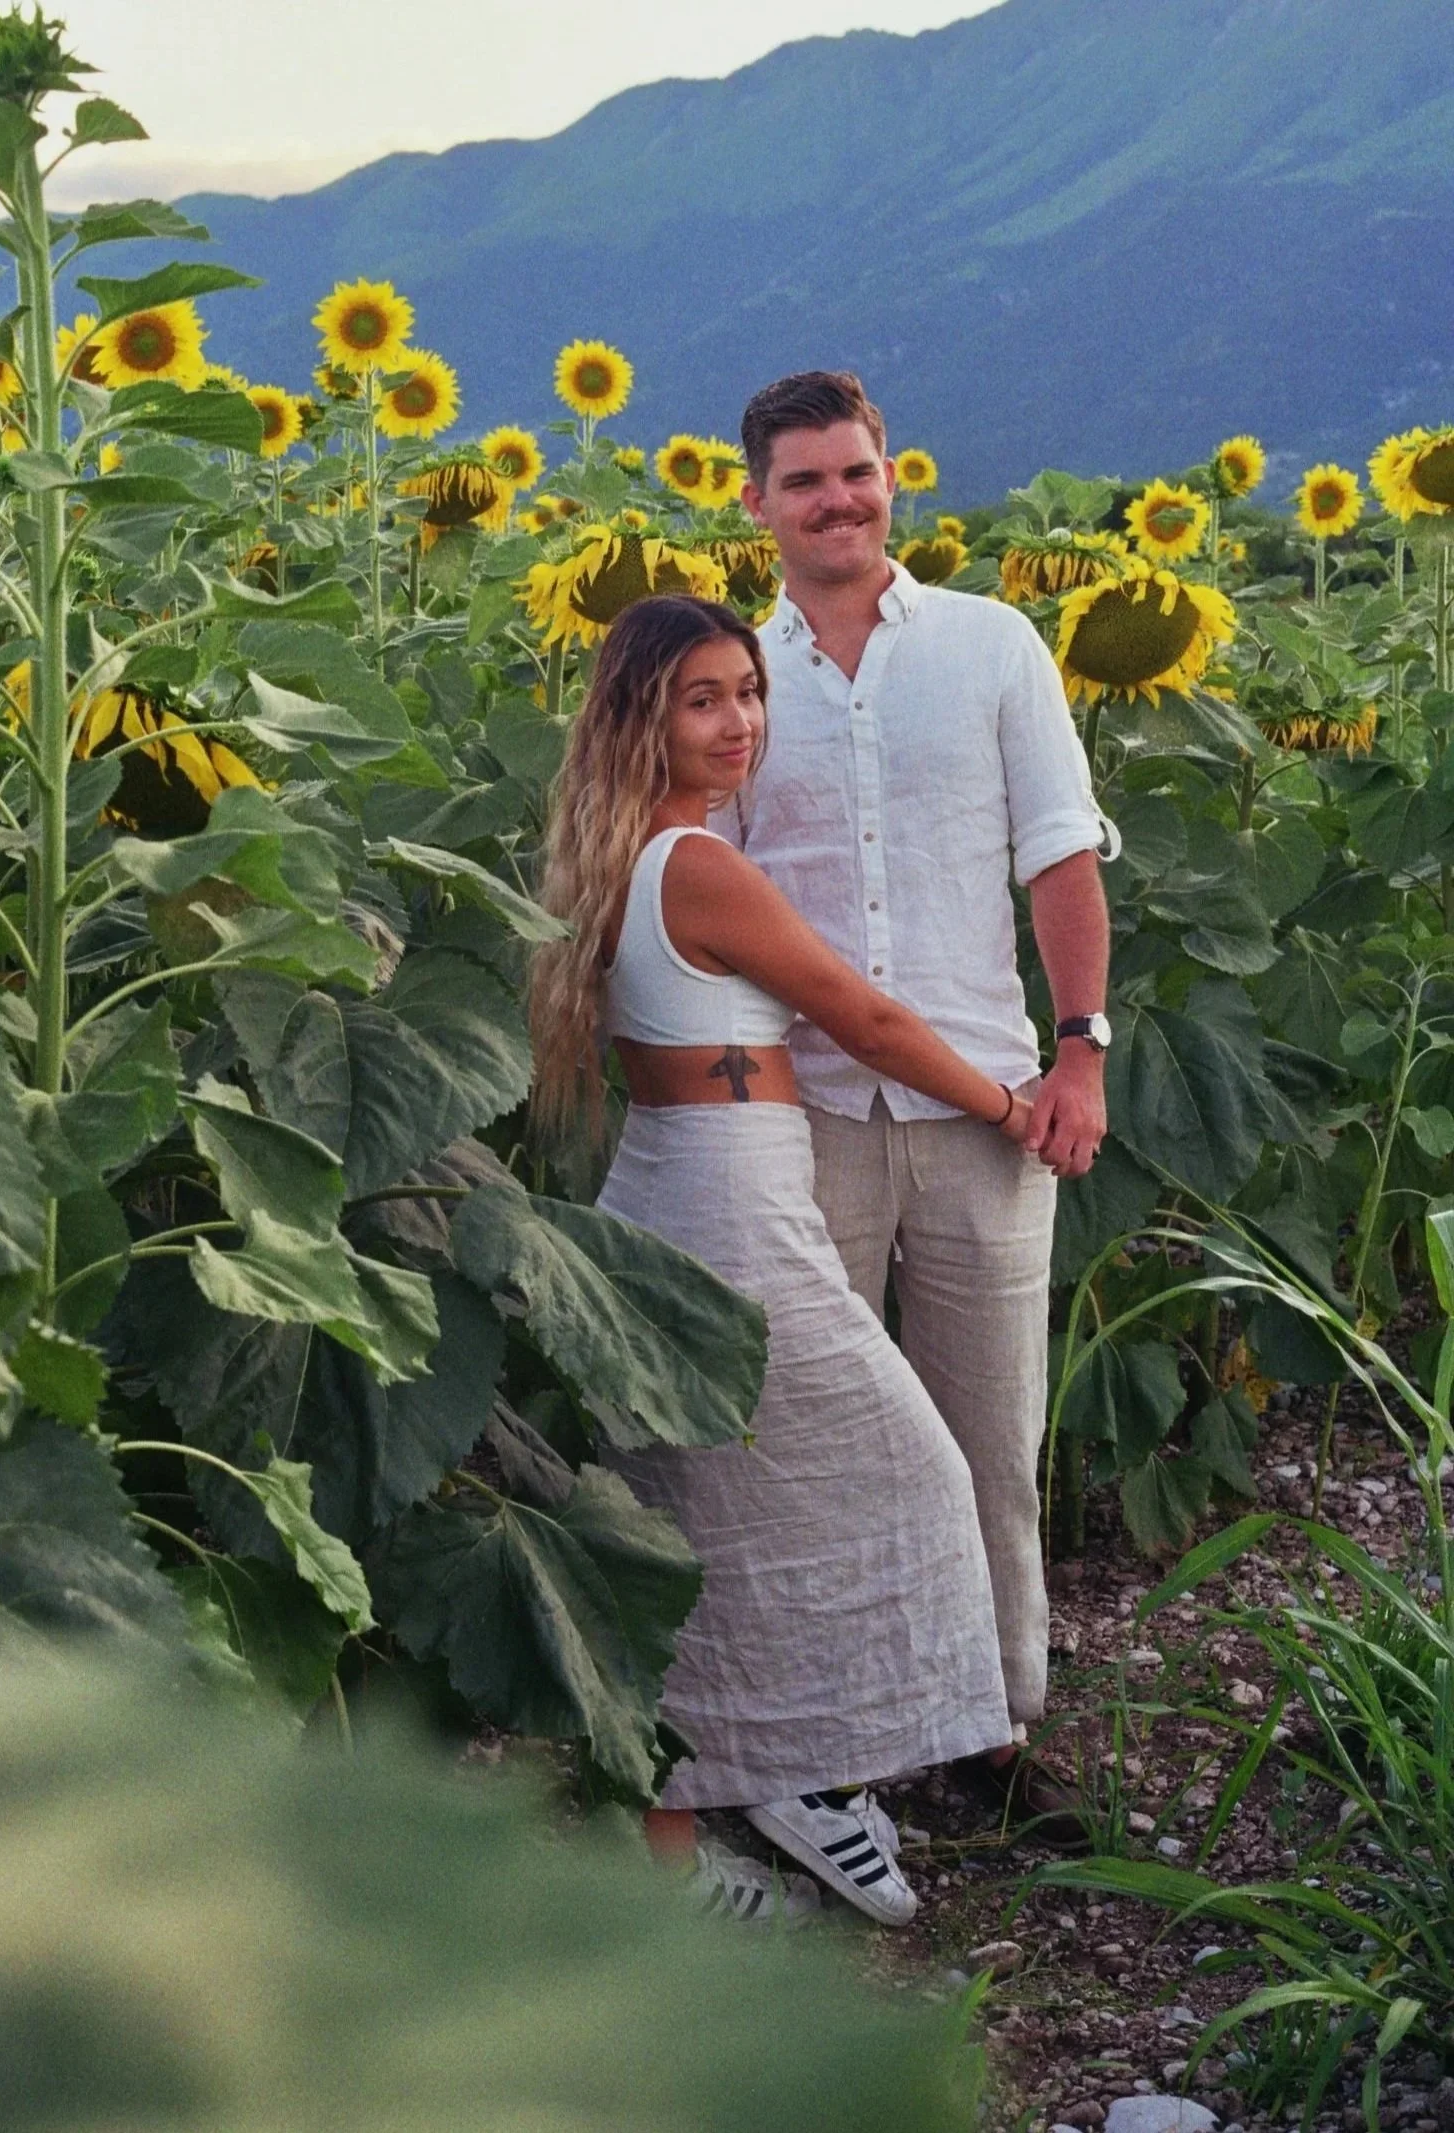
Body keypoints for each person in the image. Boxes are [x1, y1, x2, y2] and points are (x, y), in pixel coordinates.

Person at [529, 594, 1034, 1928]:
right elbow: (858, 1010)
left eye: (748, 691)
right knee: (908, 1471)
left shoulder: (626, 851)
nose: (738, 720)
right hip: (727, 1200)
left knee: (697, 1519)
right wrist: (1004, 1107)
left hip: (684, 1176)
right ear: (647, 716)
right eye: (703, 698)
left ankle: (701, 1831)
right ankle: (795, 1786)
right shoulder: (697, 867)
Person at [731, 370, 1115, 1832]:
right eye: (807, 480)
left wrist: (1080, 1049)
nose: (840, 499)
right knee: (812, 1438)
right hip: (807, 1114)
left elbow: (1061, 857)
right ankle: (824, 1737)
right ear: (756, 501)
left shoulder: (991, 646)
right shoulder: (736, 679)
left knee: (987, 1438)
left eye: (860, 471)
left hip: (991, 1111)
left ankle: (997, 1730)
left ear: (894, 477)